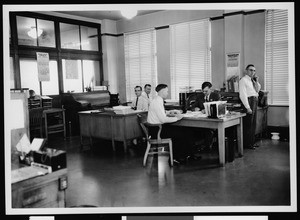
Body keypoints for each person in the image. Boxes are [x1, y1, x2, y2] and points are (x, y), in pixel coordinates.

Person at [147, 84, 197, 164]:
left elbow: (160, 113)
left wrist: (170, 112)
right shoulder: (157, 102)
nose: (167, 93)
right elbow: (163, 119)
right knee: (181, 133)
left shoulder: (157, 100)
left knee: (187, 131)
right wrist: (177, 118)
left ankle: (189, 155)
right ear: (162, 91)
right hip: (157, 131)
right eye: (166, 91)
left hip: (157, 128)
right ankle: (176, 158)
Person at [190, 82, 220, 151]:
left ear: (210, 89)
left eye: (206, 91)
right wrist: (195, 109)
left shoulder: (216, 96)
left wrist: (207, 110)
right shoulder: (200, 96)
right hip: (202, 120)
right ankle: (196, 147)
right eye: (203, 91)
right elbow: (192, 106)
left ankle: (207, 147)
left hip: (213, 121)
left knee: (208, 130)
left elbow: (218, 107)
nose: (204, 93)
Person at [239, 64, 261, 150]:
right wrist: (247, 107)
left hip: (254, 101)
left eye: (254, 70)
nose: (252, 72)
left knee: (253, 124)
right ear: (246, 71)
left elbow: (257, 90)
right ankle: (246, 144)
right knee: (248, 124)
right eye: (251, 70)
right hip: (249, 102)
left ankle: (251, 143)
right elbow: (243, 95)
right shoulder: (243, 80)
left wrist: (257, 81)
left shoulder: (252, 80)